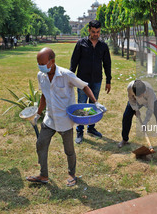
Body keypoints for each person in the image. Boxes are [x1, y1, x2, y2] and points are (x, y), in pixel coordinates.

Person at [26, 48, 106, 186]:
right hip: (50, 119)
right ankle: (43, 175)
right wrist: (38, 114)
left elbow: (84, 86)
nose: (40, 66)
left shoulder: (66, 75)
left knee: (69, 150)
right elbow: (44, 96)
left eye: (43, 63)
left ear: (52, 61)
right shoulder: (41, 75)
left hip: (65, 120)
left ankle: (72, 174)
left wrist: (95, 102)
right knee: (41, 144)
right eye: (38, 63)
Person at [70, 20, 112, 144]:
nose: (96, 34)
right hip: (82, 81)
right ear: (89, 30)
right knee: (82, 104)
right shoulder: (81, 43)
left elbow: (107, 64)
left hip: (97, 80)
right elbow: (74, 62)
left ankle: (91, 128)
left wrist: (108, 80)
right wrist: (71, 79)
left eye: (98, 32)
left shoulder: (103, 46)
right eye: (93, 32)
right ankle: (79, 130)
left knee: (93, 105)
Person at [118, 80, 157, 153]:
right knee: (126, 116)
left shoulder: (149, 90)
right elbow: (131, 99)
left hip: (151, 101)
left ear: (144, 90)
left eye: (140, 95)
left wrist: (145, 122)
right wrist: (136, 109)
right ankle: (124, 139)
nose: (139, 96)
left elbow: (150, 109)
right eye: (138, 95)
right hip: (136, 102)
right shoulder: (130, 87)